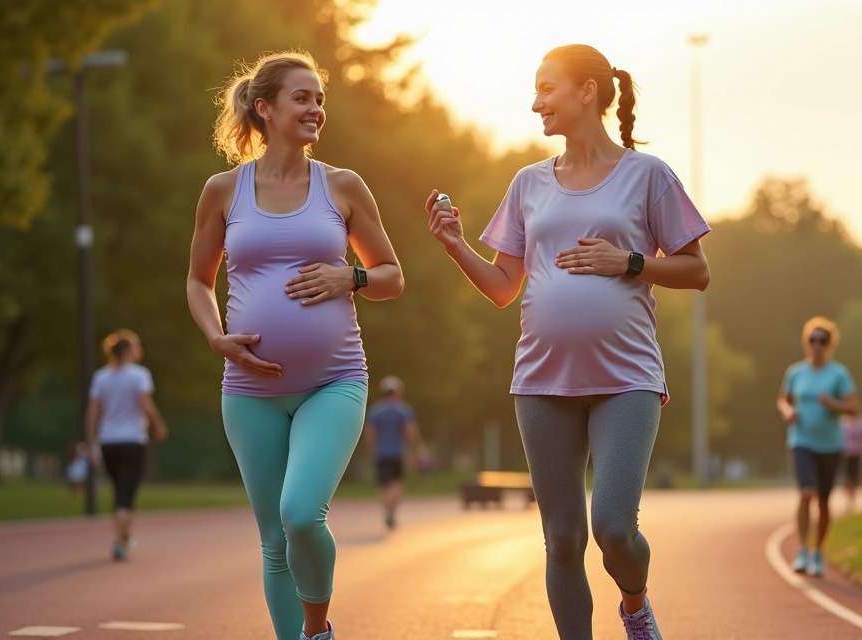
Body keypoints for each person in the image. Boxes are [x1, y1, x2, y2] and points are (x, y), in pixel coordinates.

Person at [423, 44, 710, 640]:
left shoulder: (647, 175)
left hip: (626, 379)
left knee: (611, 526)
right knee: (561, 537)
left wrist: (627, 261)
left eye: (546, 89)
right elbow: (504, 287)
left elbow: (695, 270)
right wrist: (455, 246)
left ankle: (634, 603)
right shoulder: (528, 183)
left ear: (587, 92)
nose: (535, 103)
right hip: (542, 380)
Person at [186, 51, 403, 640]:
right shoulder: (224, 189)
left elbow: (391, 276)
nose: (316, 109)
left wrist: (349, 276)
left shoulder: (342, 186)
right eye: (302, 98)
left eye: (320, 99)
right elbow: (198, 280)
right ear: (265, 108)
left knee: (301, 514)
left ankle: (316, 630)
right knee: (275, 542)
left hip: (334, 382)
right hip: (249, 390)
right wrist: (216, 337)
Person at [777, 317, 860, 577]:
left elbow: (854, 409)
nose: (817, 345)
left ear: (829, 344)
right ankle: (802, 550)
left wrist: (833, 405)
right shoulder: (795, 372)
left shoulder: (838, 374)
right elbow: (783, 400)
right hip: (801, 440)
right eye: (812, 340)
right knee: (806, 493)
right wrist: (788, 411)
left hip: (830, 444)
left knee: (824, 502)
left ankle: (818, 552)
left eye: (822, 341)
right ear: (806, 342)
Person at [84, 329, 168, 560]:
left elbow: (92, 413)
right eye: (137, 346)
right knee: (126, 495)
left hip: (108, 442)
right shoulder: (139, 375)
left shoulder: (101, 377)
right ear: (129, 351)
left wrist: (91, 443)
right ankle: (119, 543)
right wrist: (158, 426)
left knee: (120, 492)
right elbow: (146, 405)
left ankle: (124, 536)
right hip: (132, 441)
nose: (140, 350)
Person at [363, 375, 422, 530]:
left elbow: (370, 434)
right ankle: (390, 512)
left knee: (384, 485)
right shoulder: (403, 410)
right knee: (397, 484)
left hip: (381, 453)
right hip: (397, 453)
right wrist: (416, 450)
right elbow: (411, 432)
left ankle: (388, 512)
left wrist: (370, 451)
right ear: (399, 392)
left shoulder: (375, 411)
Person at [839, 412, 862, 515]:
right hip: (846, 454)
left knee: (856, 477)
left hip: (858, 453)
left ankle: (858, 499)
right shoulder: (843, 422)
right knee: (848, 478)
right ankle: (849, 500)